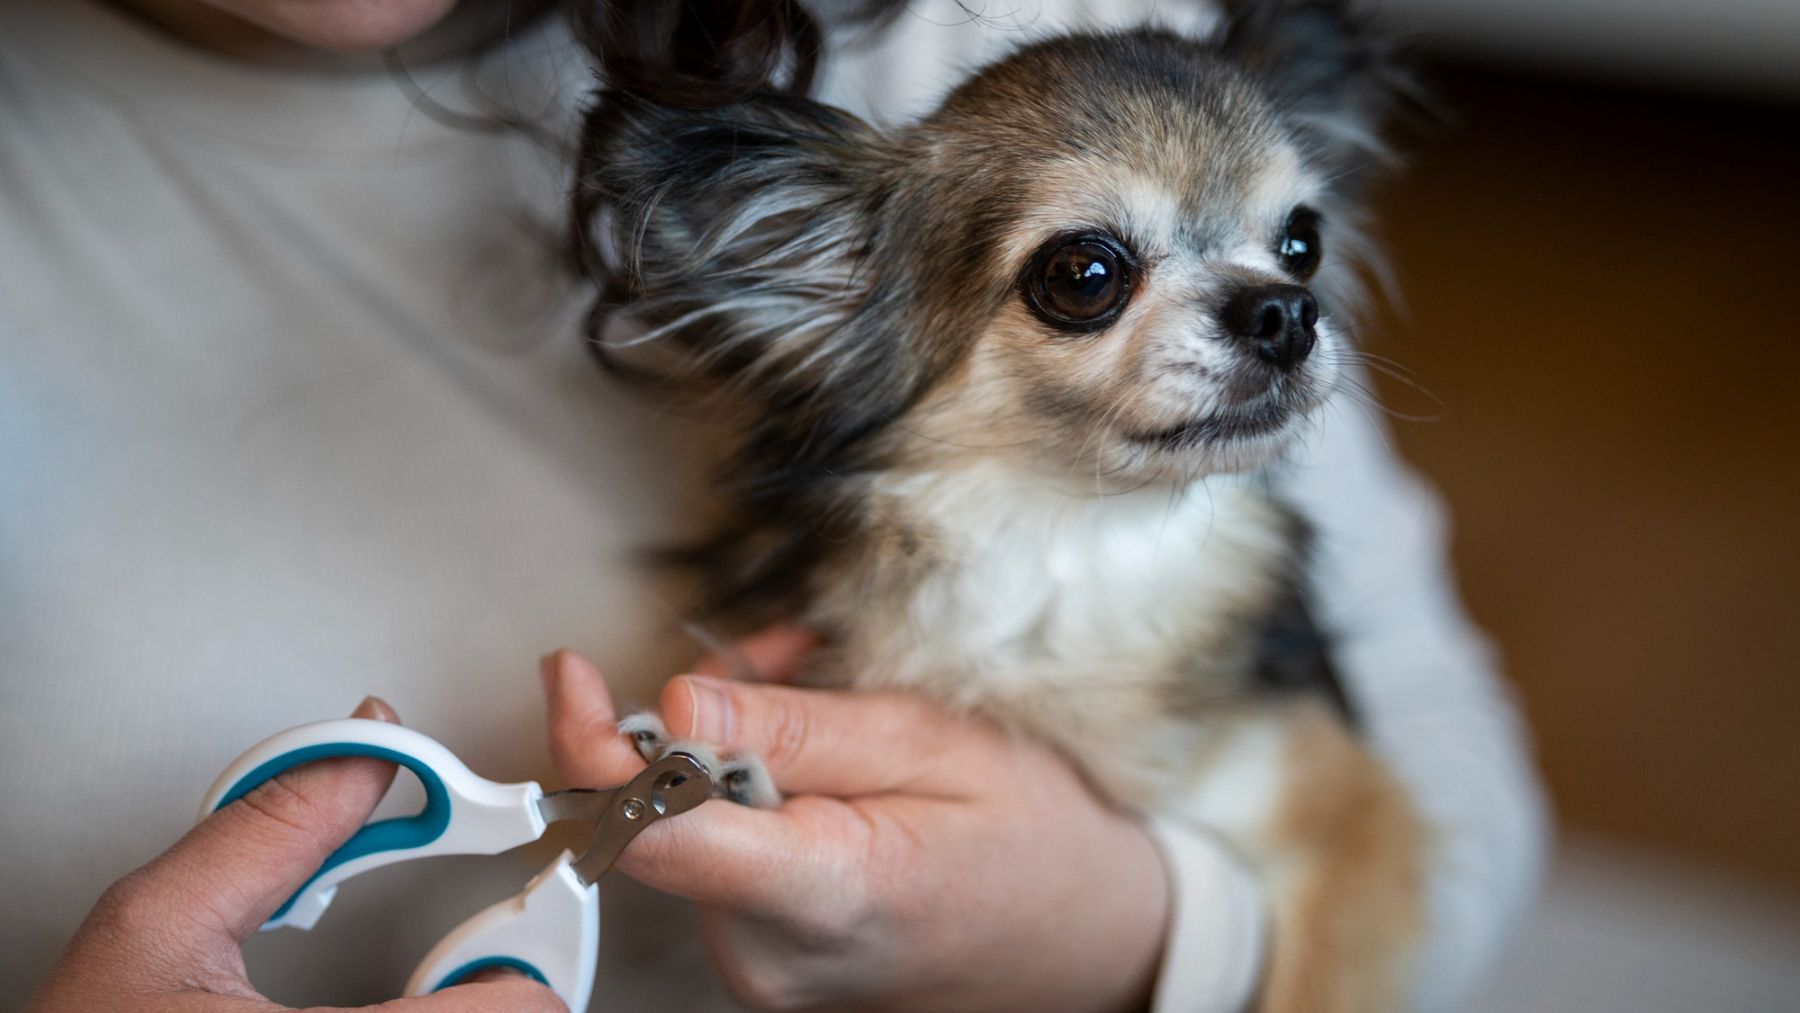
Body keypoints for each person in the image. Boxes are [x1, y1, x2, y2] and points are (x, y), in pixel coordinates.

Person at [4, 1, 1548, 1010]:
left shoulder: (996, 20)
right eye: (1088, 275)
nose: (1275, 308)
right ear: (811, 285)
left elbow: (1457, 805)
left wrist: (1127, 926)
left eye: (1292, 250)